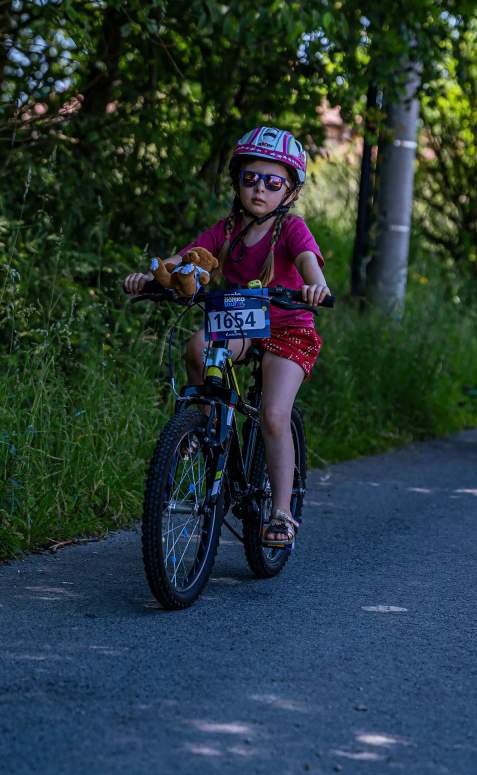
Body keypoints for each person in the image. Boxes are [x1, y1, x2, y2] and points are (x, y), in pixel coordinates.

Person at [124, 126, 330, 548]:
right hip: (242, 322)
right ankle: (203, 425)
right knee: (197, 348)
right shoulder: (228, 229)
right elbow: (184, 259)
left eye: (273, 183)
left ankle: (281, 511)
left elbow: (310, 264)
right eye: (250, 179)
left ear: (289, 192)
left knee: (273, 414)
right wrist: (151, 277)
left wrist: (315, 287)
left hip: (290, 327)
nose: (259, 190)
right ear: (237, 182)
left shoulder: (291, 229)